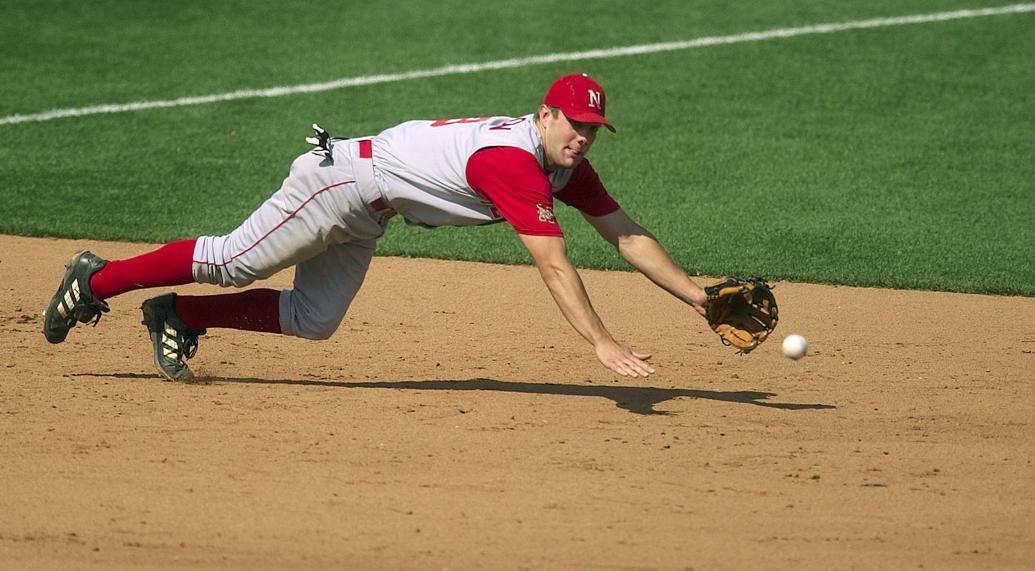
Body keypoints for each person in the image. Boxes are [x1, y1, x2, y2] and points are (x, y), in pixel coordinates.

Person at [43, 73, 710, 382]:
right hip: (341, 181)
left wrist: (700, 299)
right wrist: (599, 339)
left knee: (313, 317)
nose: (584, 138)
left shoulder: (562, 166)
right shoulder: (513, 162)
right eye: (574, 124)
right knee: (233, 259)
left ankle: (179, 315)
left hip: (369, 208)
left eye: (594, 130)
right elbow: (552, 263)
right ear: (545, 115)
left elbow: (623, 232)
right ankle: (96, 278)